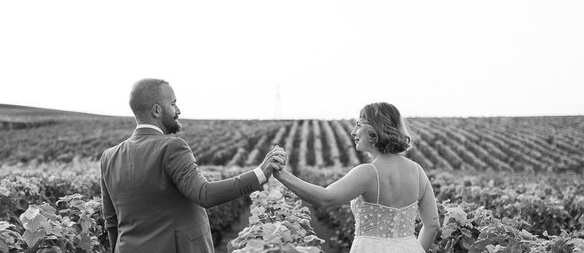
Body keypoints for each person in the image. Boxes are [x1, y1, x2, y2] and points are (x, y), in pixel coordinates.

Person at [100, 78, 286, 253]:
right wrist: (260, 173)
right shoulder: (171, 146)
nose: (178, 110)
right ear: (156, 111)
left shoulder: (108, 157)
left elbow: (111, 221)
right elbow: (204, 194)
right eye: (172, 104)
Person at [274, 102, 440, 252]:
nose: (353, 132)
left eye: (359, 125)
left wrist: (282, 175)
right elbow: (432, 225)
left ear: (374, 130)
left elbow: (326, 198)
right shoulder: (418, 172)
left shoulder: (368, 172)